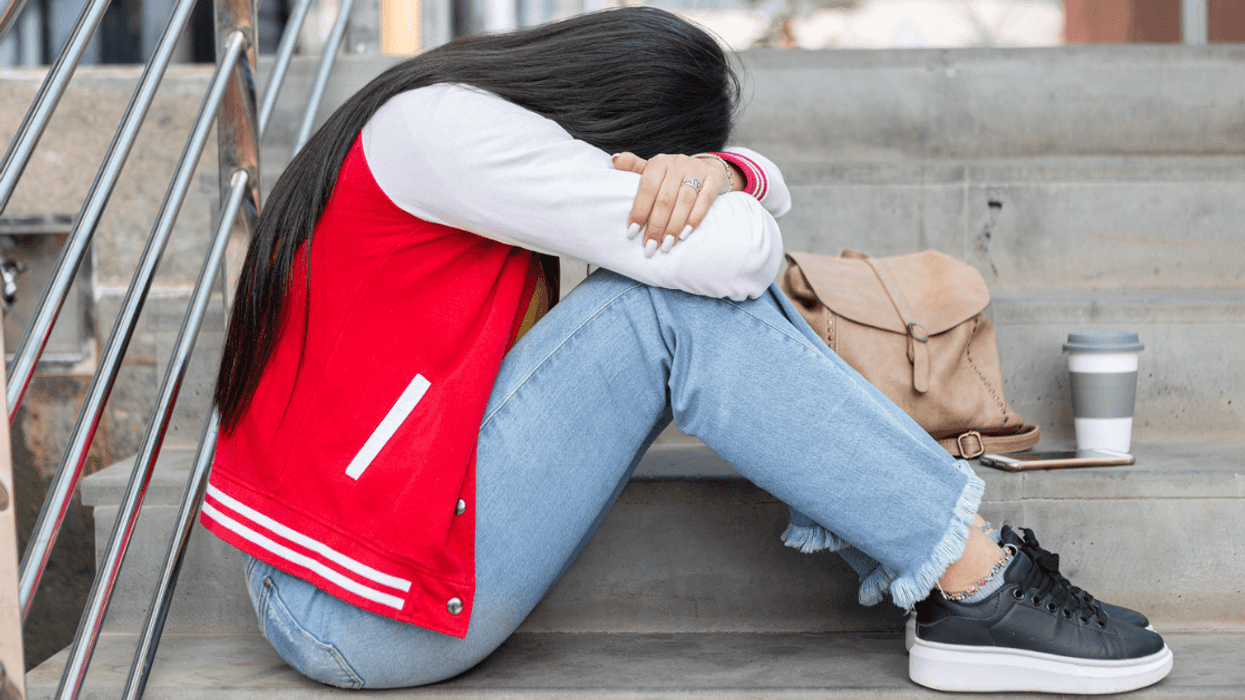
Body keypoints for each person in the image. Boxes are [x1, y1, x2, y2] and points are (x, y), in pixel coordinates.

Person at [202, 7, 1172, 694]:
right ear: (627, 130)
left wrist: (722, 170)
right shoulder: (450, 130)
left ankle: (967, 576)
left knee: (663, 290)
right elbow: (738, 260)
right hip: (344, 610)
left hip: (370, 565)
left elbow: (733, 234)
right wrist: (727, 184)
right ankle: (975, 579)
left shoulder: (455, 118)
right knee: (662, 307)